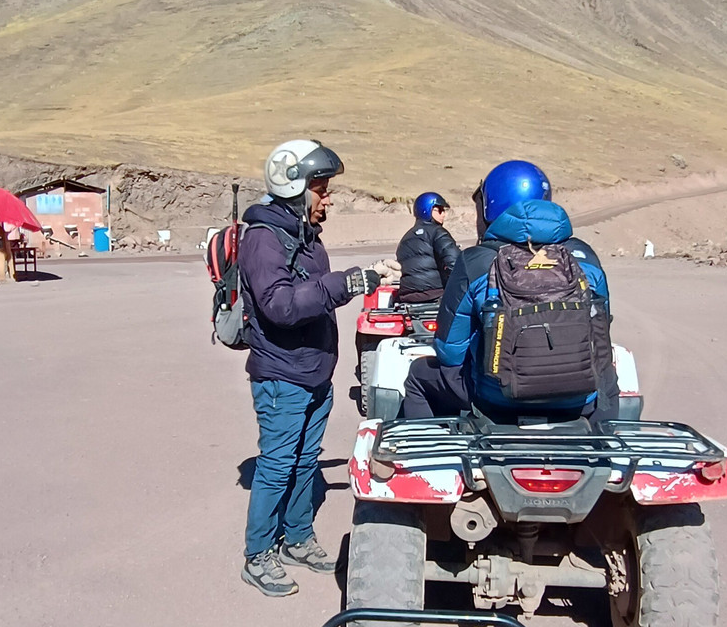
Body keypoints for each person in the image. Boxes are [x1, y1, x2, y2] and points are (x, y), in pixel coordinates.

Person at [238, 139, 382, 597]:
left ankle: (297, 538)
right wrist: (344, 284)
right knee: (277, 465)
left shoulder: (307, 236)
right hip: (282, 376)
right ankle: (258, 554)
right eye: (321, 189)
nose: (328, 199)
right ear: (294, 187)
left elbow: (313, 293)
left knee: (305, 462)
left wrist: (350, 282)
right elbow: (280, 305)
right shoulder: (263, 239)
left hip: (314, 372)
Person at [403, 161, 619, 423]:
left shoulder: (475, 261)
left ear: (489, 206)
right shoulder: (585, 257)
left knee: (418, 376)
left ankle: (426, 445)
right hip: (578, 398)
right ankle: (603, 444)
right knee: (608, 379)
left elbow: (450, 351)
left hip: (496, 399)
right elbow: (600, 332)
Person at [395, 192, 461, 303]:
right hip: (434, 293)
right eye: (439, 210)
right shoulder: (437, 232)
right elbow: (455, 263)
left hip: (407, 297)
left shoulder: (405, 238)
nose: (443, 214)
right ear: (427, 210)